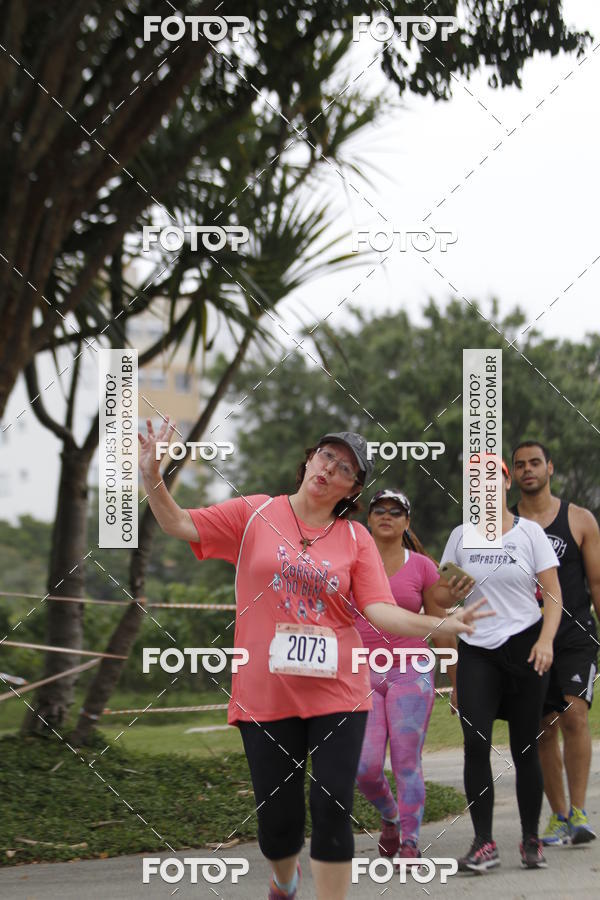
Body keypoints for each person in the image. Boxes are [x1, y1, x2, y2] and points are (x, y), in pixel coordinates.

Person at [138, 419, 491, 900]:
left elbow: (381, 609)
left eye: (345, 467)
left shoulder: (354, 539)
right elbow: (179, 523)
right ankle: (285, 881)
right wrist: (151, 477)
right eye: (326, 456)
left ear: (353, 488)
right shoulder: (255, 512)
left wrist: (441, 623)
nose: (330, 468)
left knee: (332, 810)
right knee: (278, 823)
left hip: (338, 693)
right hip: (265, 695)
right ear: (309, 460)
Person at [438, 459, 563, 872]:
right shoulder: (460, 536)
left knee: (525, 746)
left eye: (492, 477)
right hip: (477, 649)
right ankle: (483, 843)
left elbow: (553, 595)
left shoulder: (531, 534)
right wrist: (449, 591)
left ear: (506, 483)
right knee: (475, 744)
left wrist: (546, 641)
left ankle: (531, 839)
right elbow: (440, 599)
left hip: (526, 645)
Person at [354, 489, 474, 863]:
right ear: (369, 518)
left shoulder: (422, 566)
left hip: (412, 671)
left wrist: (456, 682)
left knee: (407, 760)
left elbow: (442, 627)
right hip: (360, 672)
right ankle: (389, 817)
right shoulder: (351, 559)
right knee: (365, 767)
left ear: (406, 522)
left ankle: (410, 841)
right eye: (379, 510)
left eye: (396, 511)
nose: (386, 516)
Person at [511, 440, 600, 846]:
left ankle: (579, 814)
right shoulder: (503, 527)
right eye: (520, 465)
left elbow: (596, 583)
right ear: (512, 477)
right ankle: (559, 817)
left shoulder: (579, 520)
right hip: (529, 639)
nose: (528, 469)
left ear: (550, 467)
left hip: (575, 634)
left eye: (535, 463)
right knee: (544, 728)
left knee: (575, 716)